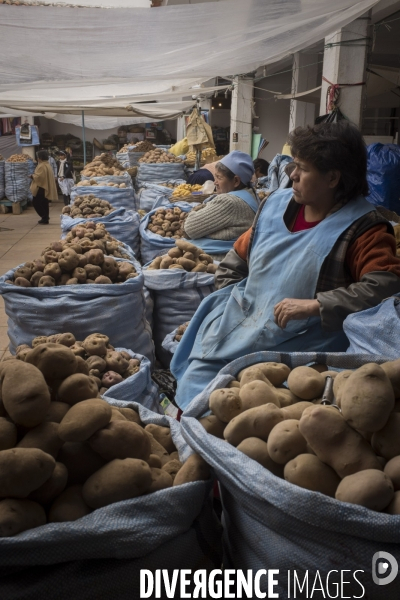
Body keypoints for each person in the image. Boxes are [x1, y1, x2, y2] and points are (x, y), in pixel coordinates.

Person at [172, 121, 400, 409]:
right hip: (242, 328)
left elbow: (384, 285)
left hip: (303, 345)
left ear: (332, 178)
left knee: (266, 405)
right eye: (293, 165)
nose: (291, 175)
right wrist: (235, 304)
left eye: (302, 169)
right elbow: (236, 260)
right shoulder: (276, 205)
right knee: (195, 386)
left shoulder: (364, 228)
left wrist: (317, 305)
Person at [183, 151, 259, 259]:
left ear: (236, 181)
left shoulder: (229, 201)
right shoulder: (251, 193)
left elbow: (190, 228)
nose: (215, 183)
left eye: (219, 178)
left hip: (219, 259)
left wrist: (196, 210)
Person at [29, 150, 58, 224]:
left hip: (41, 187)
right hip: (45, 186)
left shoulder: (42, 166)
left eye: (38, 157)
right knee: (44, 202)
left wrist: (32, 176)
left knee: (36, 202)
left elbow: (39, 177)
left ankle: (44, 217)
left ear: (40, 158)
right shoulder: (47, 165)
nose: (37, 158)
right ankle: (45, 218)